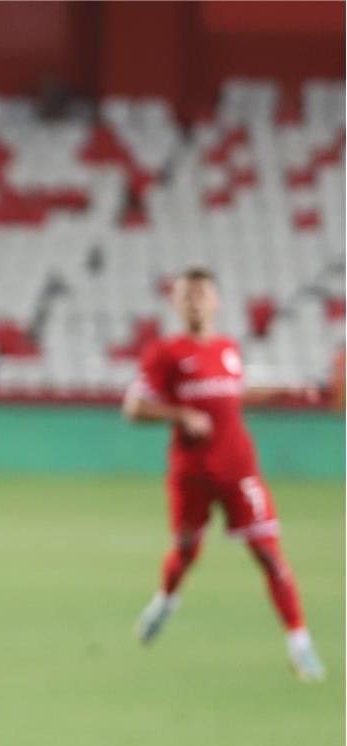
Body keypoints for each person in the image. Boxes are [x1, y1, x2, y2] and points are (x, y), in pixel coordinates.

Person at [124, 268, 325, 681]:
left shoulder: (228, 348)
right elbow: (134, 408)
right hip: (192, 474)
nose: (195, 300)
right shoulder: (165, 353)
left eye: (202, 293)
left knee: (269, 554)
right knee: (185, 553)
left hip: (239, 472)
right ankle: (166, 600)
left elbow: (233, 396)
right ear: (175, 303)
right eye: (187, 294)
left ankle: (300, 643)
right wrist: (181, 413)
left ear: (216, 301)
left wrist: (285, 392)